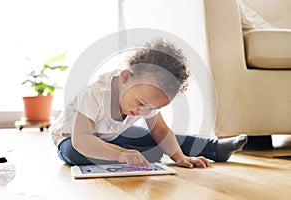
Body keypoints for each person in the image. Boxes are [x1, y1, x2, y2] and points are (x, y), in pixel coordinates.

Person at [50, 38, 248, 168]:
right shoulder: (95, 93)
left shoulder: (145, 100)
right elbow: (82, 139)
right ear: (126, 77)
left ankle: (214, 148)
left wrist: (179, 157)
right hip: (71, 138)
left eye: (151, 108)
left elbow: (161, 131)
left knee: (153, 138)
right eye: (141, 103)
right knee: (75, 153)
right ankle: (132, 154)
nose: (142, 111)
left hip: (111, 137)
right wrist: (121, 154)